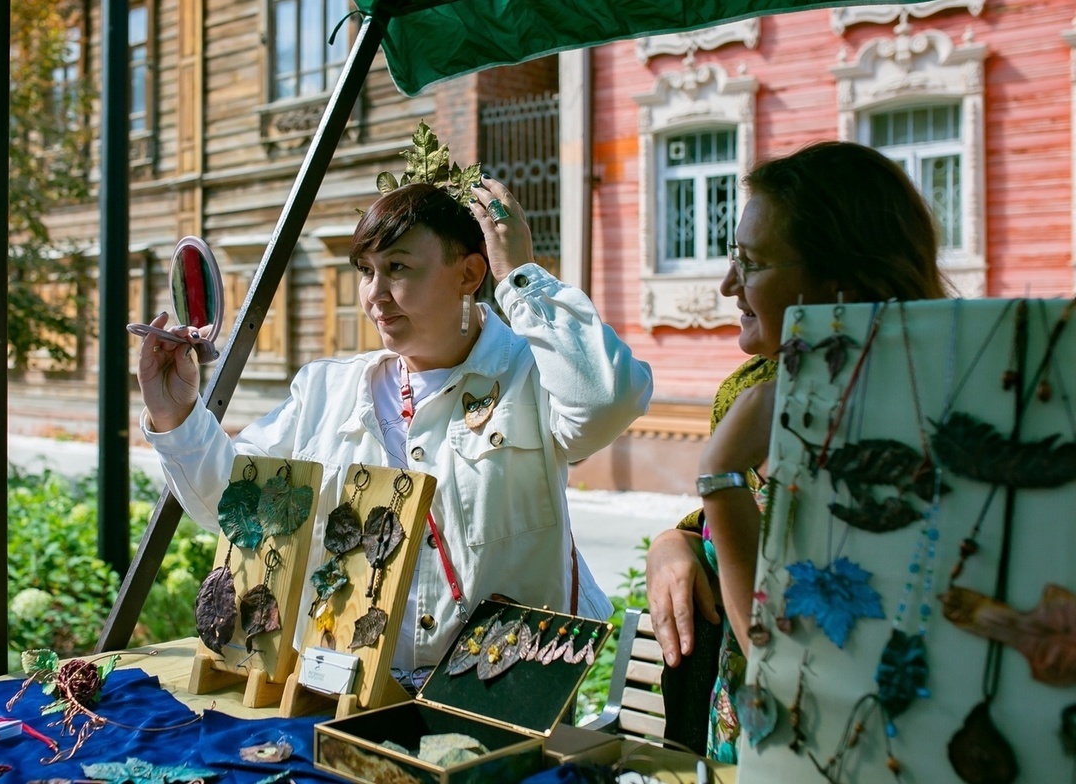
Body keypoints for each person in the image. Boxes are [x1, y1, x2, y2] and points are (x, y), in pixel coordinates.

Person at [138, 177, 653, 684]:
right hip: (347, 693)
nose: (375, 295)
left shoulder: (530, 374)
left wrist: (520, 277)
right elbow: (233, 508)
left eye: (398, 268)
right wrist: (176, 415)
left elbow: (606, 401)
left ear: (471, 274)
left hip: (498, 692)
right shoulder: (328, 390)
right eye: (367, 270)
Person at [644, 140, 949, 762]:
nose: (729, 283)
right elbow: (722, 534)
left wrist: (720, 476)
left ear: (835, 283)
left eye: (751, 263)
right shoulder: (754, 393)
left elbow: (784, 653)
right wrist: (673, 543)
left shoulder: (900, 436)